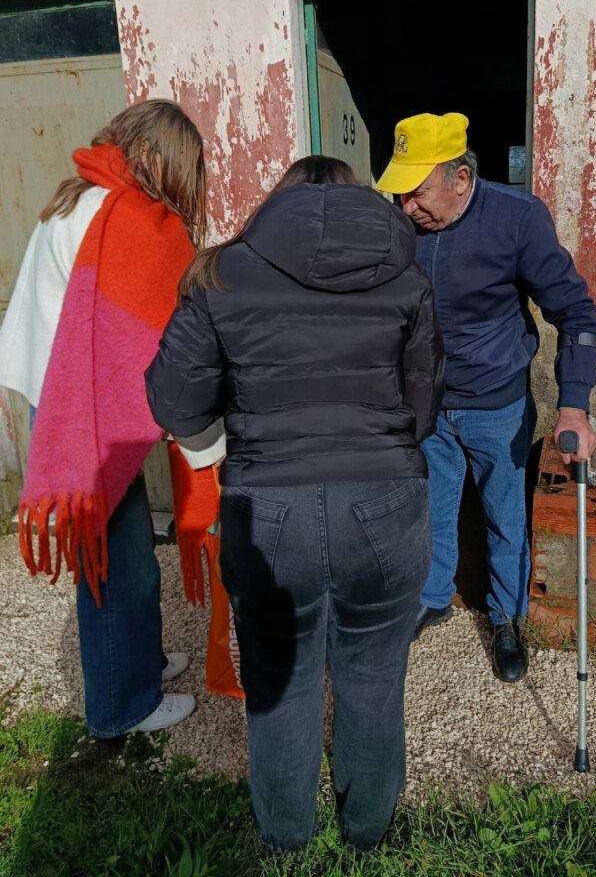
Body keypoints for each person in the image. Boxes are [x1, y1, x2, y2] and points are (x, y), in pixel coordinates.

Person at [145, 155, 444, 851]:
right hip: (384, 496)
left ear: (277, 204)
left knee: (280, 682)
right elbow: (424, 404)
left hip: (269, 504)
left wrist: (229, 429)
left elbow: (173, 402)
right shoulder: (407, 275)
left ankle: (285, 839)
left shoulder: (221, 275)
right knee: (374, 676)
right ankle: (367, 830)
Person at [0, 100, 222, 737]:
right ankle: (123, 705)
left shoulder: (79, 194)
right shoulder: (129, 218)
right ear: (156, 158)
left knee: (119, 552)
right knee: (116, 561)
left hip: (60, 395)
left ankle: (137, 662)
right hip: (86, 408)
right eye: (183, 168)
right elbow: (162, 333)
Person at [376, 112, 596, 683]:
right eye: (399, 193)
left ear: (460, 177)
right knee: (431, 511)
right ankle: (433, 598)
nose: (407, 207)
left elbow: (575, 314)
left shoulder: (517, 219)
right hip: (427, 404)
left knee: (505, 517)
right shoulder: (399, 224)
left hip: (496, 404)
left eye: (417, 193)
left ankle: (505, 617)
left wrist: (574, 404)